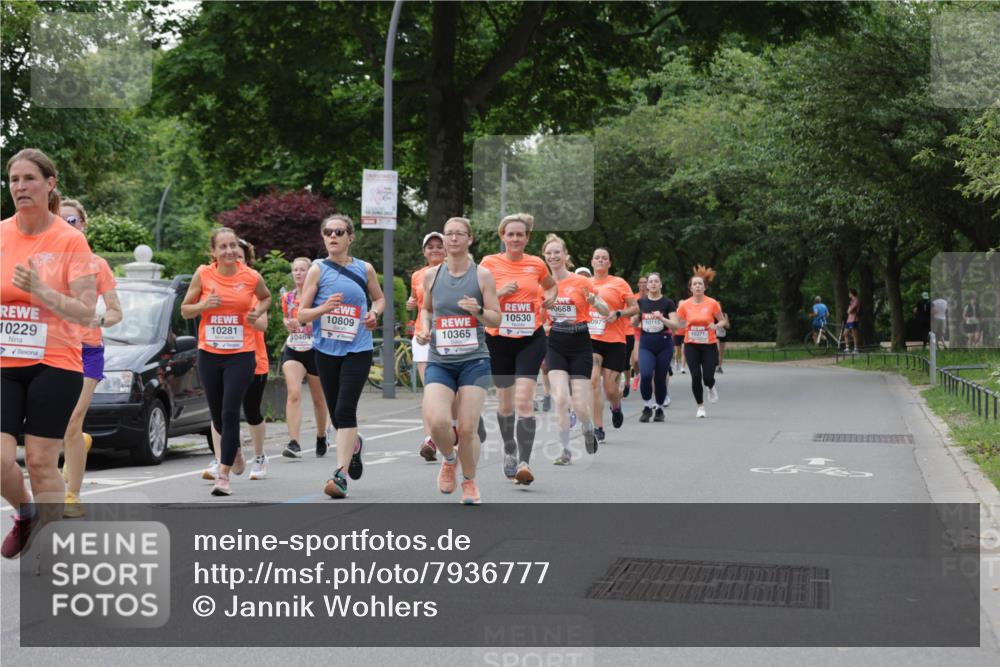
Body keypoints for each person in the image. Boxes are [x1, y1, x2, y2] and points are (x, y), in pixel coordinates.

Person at [2, 149, 98, 558]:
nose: (20, 187)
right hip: (4, 362)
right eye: (14, 179)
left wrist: (40, 290)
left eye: (29, 178)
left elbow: (86, 310)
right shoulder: (1, 233)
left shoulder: (70, 240)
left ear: (50, 183)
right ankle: (25, 513)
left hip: (55, 363)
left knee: (41, 462)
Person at [297, 214, 385, 499]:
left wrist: (374, 314)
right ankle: (354, 445)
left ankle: (340, 475)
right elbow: (301, 314)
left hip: (358, 349)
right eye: (328, 232)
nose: (333, 236)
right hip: (326, 350)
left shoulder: (365, 269)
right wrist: (323, 309)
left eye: (339, 231)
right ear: (323, 237)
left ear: (350, 237)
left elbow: (379, 298)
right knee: (336, 416)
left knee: (346, 410)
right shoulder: (317, 270)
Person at [181, 228, 271, 496]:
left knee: (231, 412)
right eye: (223, 247)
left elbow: (266, 298)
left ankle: (223, 473)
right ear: (214, 252)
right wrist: (204, 305)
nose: (229, 251)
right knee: (218, 415)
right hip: (209, 353)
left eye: (233, 245)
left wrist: (256, 312)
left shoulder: (251, 276)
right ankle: (236, 451)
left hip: (241, 354)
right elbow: (185, 309)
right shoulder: (203, 274)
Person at [416, 217, 500, 504]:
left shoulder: (482, 276)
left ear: (469, 239)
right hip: (440, 359)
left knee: (466, 428)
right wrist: (425, 328)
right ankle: (449, 459)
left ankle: (470, 482)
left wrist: (477, 310)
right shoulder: (432, 275)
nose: (452, 238)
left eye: (458, 234)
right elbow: (427, 310)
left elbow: (495, 317)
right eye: (448, 233)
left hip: (474, 361)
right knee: (438, 422)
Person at [481, 213, 557, 485]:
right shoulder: (489, 263)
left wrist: (549, 299)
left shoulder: (536, 264)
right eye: (510, 234)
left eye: (520, 234)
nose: (515, 238)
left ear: (527, 238)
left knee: (524, 400)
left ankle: (524, 462)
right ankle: (510, 450)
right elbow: (477, 295)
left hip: (530, 338)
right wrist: (500, 293)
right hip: (499, 339)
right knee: (505, 404)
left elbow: (551, 288)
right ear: (502, 236)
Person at [59, 199, 123, 518]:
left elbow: (115, 311)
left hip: (87, 351)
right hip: (54, 349)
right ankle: (78, 442)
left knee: (72, 419)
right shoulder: (46, 262)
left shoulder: (97, 265)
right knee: (61, 427)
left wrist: (100, 319)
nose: (67, 226)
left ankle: (72, 495)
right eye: (60, 220)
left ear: (83, 224)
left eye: (72, 220)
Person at [541, 234, 606, 464]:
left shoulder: (580, 282)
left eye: (557, 252)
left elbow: (605, 310)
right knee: (560, 399)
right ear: (545, 257)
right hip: (555, 342)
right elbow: (539, 317)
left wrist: (595, 303)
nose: (553, 256)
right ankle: (566, 451)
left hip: (580, 343)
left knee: (579, 405)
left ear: (565, 255)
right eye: (549, 253)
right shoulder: (542, 284)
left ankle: (588, 428)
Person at [278, 257, 330, 459]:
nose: (298, 273)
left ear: (310, 273)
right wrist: (288, 323)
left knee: (318, 399)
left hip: (315, 349)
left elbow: (324, 318)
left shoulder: (319, 297)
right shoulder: (287, 297)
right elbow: (285, 317)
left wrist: (306, 324)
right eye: (295, 270)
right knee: (293, 393)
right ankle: (294, 442)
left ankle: (320, 435)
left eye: (302, 269)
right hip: (294, 348)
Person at [588, 248, 638, 443]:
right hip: (591, 339)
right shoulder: (585, 284)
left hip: (615, 340)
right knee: (593, 381)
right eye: (597, 258)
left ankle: (616, 406)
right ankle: (598, 428)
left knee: (610, 390)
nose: (600, 260)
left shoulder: (619, 283)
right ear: (592, 262)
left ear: (609, 263)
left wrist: (618, 313)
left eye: (604, 258)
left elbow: (635, 308)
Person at [407, 232, 446, 461]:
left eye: (438, 246)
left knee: (449, 393)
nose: (434, 250)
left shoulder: (456, 272)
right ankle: (429, 439)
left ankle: (450, 430)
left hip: (450, 335)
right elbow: (416, 302)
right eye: (430, 247)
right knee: (430, 390)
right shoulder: (417, 275)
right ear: (424, 252)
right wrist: (411, 304)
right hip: (423, 335)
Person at [675, 265, 728, 419]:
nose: (698, 286)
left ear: (705, 287)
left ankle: (710, 386)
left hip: (709, 345)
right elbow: (678, 322)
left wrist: (716, 325)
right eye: (694, 284)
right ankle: (700, 406)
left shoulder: (712, 303)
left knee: (708, 377)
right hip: (691, 344)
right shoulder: (684, 305)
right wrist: (679, 325)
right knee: (696, 376)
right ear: (690, 288)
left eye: (700, 284)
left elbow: (723, 321)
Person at [636, 273, 681, 423]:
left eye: (656, 281)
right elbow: (634, 321)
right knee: (646, 374)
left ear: (661, 284)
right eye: (651, 281)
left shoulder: (668, 303)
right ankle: (647, 406)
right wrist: (635, 322)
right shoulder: (641, 302)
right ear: (647, 285)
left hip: (664, 344)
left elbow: (675, 325)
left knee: (660, 378)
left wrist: (661, 318)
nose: (653, 284)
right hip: (646, 343)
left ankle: (660, 409)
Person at [625, 275, 647, 396]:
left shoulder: (653, 298)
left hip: (652, 333)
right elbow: (629, 313)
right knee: (635, 360)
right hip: (635, 332)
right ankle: (638, 373)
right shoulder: (633, 298)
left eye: (645, 282)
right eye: (641, 283)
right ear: (638, 285)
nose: (643, 285)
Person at [842, 288, 860, 353]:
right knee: (845, 333)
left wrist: (849, 310)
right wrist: (849, 310)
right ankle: (847, 348)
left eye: (849, 293)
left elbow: (850, 310)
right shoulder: (851, 301)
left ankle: (856, 349)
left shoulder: (856, 300)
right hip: (849, 320)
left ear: (852, 293)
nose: (848, 294)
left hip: (854, 319)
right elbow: (848, 311)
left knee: (854, 334)